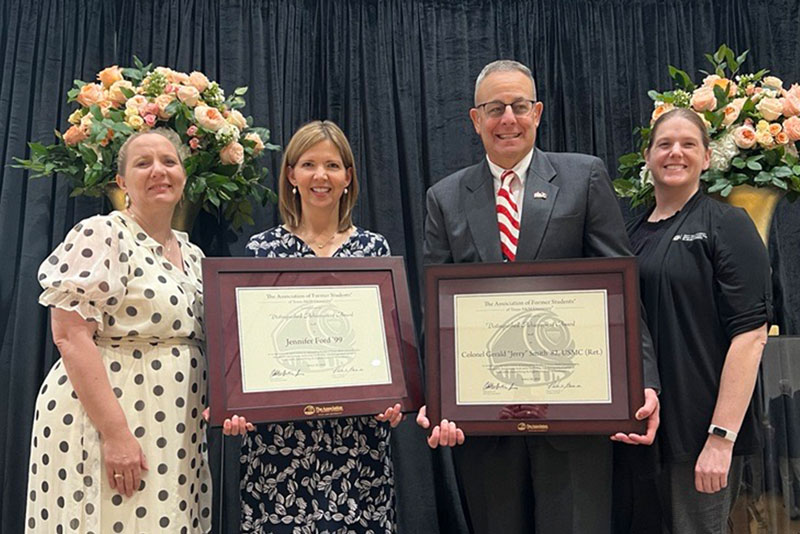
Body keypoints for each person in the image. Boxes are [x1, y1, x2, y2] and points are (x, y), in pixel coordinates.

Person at [415, 59, 661, 534]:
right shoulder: (444, 198)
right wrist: (438, 395)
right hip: (483, 423)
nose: (507, 118)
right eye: (494, 108)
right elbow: (437, 314)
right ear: (474, 118)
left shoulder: (583, 177)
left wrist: (642, 379)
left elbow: (622, 294)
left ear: (538, 112)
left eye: (519, 106)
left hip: (574, 417)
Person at [25, 128, 212, 533]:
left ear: (184, 175)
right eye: (143, 163)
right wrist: (116, 434)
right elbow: (70, 336)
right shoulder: (103, 232)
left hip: (176, 428)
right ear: (122, 183)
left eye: (169, 161)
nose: (159, 171)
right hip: (112, 418)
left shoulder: (192, 253)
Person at [223, 120, 404, 534]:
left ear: (348, 177)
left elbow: (389, 345)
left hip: (357, 441)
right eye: (308, 164)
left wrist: (396, 395)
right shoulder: (262, 251)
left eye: (333, 165)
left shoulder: (374, 251)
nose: (320, 176)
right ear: (290, 175)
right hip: (277, 444)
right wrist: (237, 403)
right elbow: (245, 349)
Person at [623, 107, 769, 533]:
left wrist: (720, 439)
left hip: (701, 433)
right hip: (644, 435)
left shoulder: (727, 223)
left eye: (689, 144)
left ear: (707, 158)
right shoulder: (630, 235)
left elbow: (751, 336)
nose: (676, 153)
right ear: (647, 156)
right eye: (664, 144)